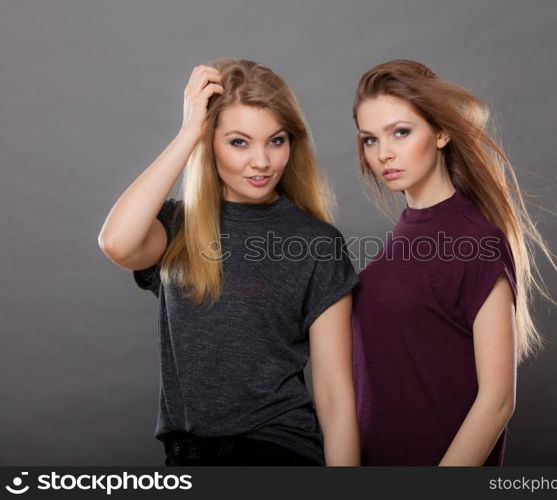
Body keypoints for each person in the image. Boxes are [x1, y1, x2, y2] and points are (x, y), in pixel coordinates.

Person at [98, 58, 360, 466]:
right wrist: (188, 133)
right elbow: (116, 242)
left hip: (277, 452)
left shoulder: (316, 243)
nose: (262, 161)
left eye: (276, 140)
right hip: (186, 459)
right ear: (210, 141)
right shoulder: (175, 227)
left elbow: (334, 394)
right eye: (239, 141)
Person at [350, 59, 557, 466]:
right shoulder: (404, 237)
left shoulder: (476, 242)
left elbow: (498, 400)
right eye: (370, 140)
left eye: (400, 133)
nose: (384, 154)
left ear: (440, 132)